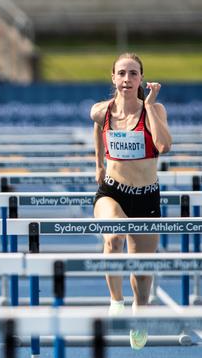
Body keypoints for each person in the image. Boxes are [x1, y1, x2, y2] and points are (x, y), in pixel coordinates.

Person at [91, 52, 172, 350]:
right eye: (122, 73)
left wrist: (149, 105)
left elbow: (164, 145)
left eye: (133, 74)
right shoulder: (102, 110)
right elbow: (98, 128)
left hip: (146, 196)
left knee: (142, 271)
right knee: (113, 237)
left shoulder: (155, 109)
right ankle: (116, 301)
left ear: (141, 79)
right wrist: (98, 163)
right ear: (113, 77)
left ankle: (140, 313)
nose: (127, 79)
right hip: (112, 192)